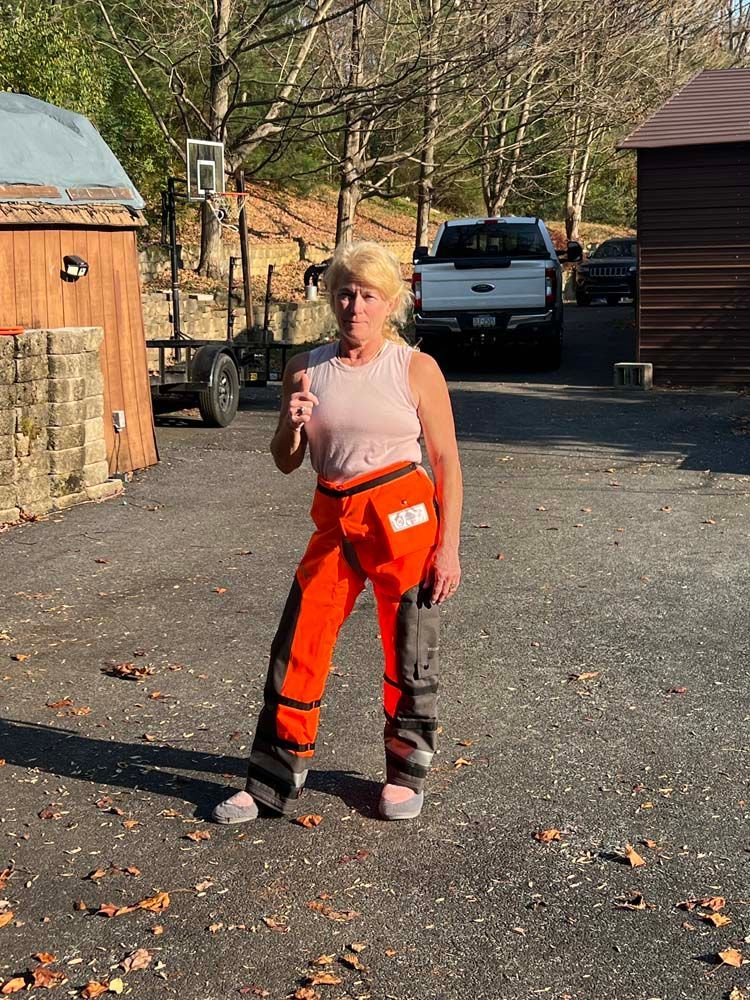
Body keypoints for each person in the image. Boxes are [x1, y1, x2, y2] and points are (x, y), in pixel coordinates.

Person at [212, 240, 462, 823]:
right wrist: (292, 429)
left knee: (409, 653)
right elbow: (284, 460)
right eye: (345, 293)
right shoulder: (304, 368)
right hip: (336, 521)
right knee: (298, 645)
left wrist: (448, 548)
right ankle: (274, 777)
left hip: (405, 526)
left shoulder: (415, 369)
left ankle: (405, 772)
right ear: (331, 298)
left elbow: (446, 460)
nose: (355, 306)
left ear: (390, 302)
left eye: (369, 295)